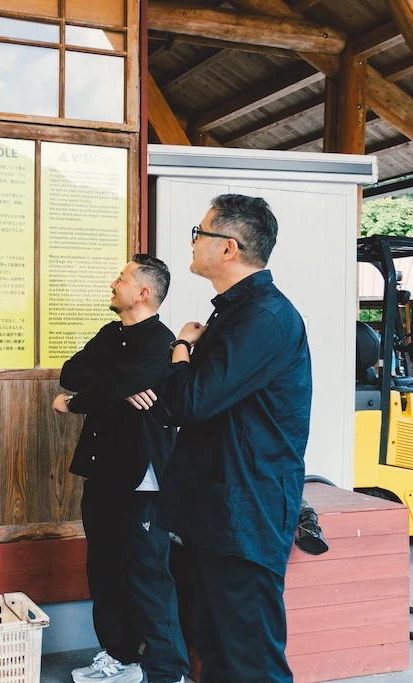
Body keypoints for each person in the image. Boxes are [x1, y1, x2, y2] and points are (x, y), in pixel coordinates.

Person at [132, 194, 312, 682]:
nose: (193, 241)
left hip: (245, 516)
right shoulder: (235, 313)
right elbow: (186, 402)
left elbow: (190, 402)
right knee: (214, 652)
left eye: (200, 232)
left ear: (228, 248)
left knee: (251, 660)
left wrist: (182, 347)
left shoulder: (265, 318)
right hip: (217, 511)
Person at [53, 254, 189, 683]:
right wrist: (121, 387)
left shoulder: (161, 343)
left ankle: (170, 672)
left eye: (123, 277)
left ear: (143, 292)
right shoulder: (113, 334)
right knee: (105, 571)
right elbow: (71, 373)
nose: (115, 282)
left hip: (142, 479)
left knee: (147, 576)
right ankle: (121, 657)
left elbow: (81, 392)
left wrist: (91, 397)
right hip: (102, 471)